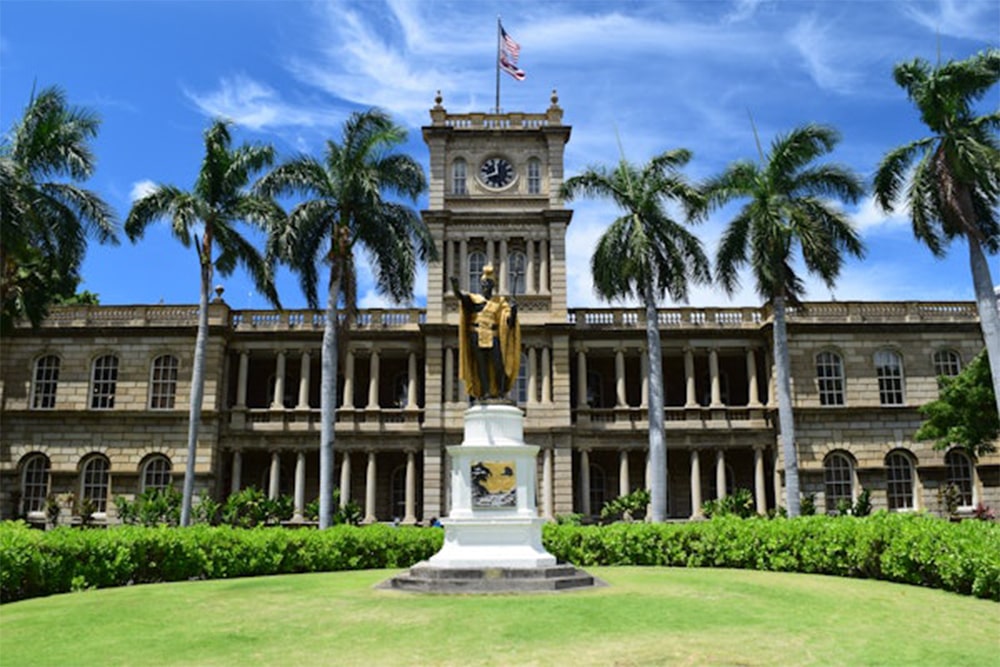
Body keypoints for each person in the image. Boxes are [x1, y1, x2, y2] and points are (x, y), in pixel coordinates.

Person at [450, 265, 520, 400]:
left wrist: (514, 311)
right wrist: (455, 288)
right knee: (481, 365)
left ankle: (500, 392)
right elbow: (461, 298)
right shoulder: (474, 299)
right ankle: (485, 392)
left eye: (488, 283)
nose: (485, 286)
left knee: (499, 364)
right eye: (483, 283)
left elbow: (508, 323)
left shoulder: (499, 303)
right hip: (476, 334)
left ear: (492, 285)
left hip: (493, 335)